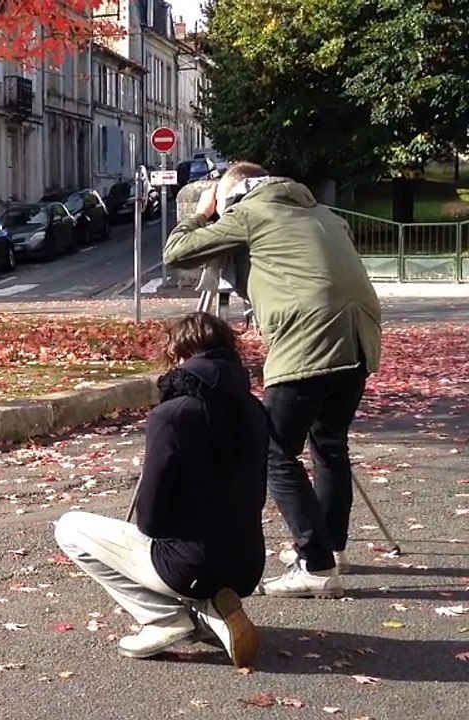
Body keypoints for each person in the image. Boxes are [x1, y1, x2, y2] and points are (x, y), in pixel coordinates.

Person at [163, 162, 382, 599]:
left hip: (307, 338)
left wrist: (205, 213)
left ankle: (316, 565)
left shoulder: (249, 214)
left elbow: (177, 252)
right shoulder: (323, 214)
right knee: (330, 445)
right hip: (358, 338)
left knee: (275, 451)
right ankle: (329, 547)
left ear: (234, 194)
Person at [54, 312, 268, 669]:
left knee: (70, 527)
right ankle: (209, 611)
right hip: (248, 563)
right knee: (199, 548)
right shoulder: (255, 409)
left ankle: (163, 618)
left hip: (189, 563)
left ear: (180, 355)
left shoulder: (172, 414)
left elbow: (150, 520)